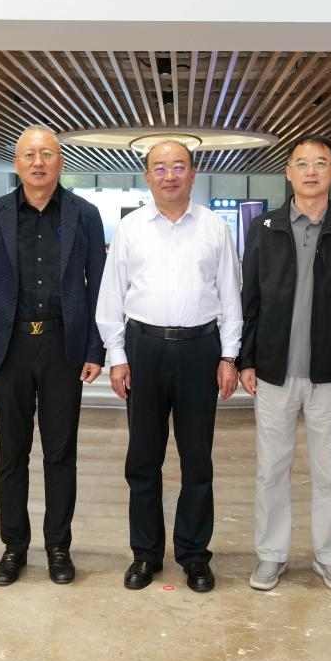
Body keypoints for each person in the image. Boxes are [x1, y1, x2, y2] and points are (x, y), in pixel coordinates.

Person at [96, 140, 242, 593]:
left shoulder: (215, 228)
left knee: (197, 459)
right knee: (143, 458)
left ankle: (194, 554)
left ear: (193, 174)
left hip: (201, 349)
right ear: (147, 177)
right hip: (144, 348)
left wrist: (229, 356)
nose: (170, 175)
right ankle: (146, 553)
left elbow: (231, 296)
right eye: (160, 168)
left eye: (179, 166)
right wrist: (117, 357)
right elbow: (111, 297)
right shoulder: (131, 228)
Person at [0, 126, 106, 586]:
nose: (38, 162)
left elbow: (98, 286)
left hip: (64, 346)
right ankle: (14, 547)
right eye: (29, 154)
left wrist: (95, 348)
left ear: (60, 161)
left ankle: (58, 547)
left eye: (47, 154)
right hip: (10, 348)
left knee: (61, 452)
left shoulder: (85, 215)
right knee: (13, 453)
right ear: (17, 163)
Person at [238, 135, 331, 592]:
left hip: (330, 376)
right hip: (274, 372)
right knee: (271, 469)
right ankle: (271, 554)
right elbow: (249, 299)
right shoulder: (264, 229)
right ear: (288, 172)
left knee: (330, 472)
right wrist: (246, 359)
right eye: (302, 163)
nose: (311, 171)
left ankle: (328, 555)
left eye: (321, 163)